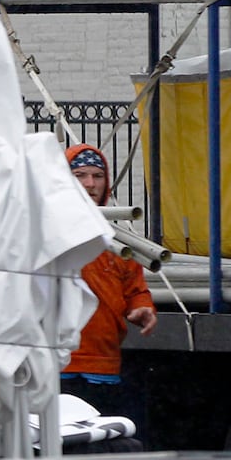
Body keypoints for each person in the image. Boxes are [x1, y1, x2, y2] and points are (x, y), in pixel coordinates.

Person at [62, 143, 157, 426]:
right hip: (56, 366)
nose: (90, 184)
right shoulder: (46, 232)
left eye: (97, 176)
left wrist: (143, 309)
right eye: (79, 175)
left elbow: (135, 290)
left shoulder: (117, 240)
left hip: (104, 366)